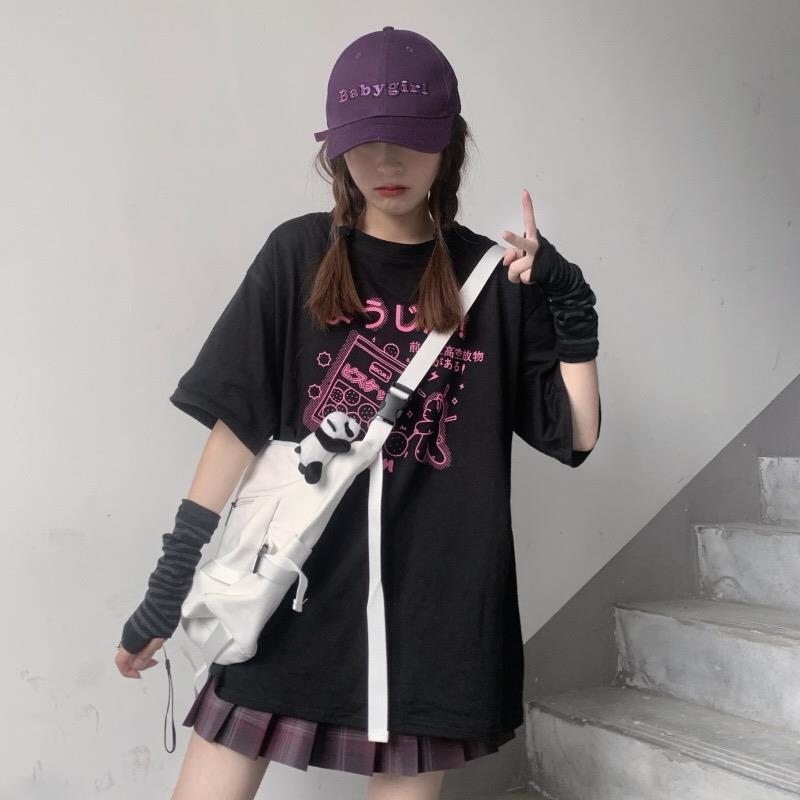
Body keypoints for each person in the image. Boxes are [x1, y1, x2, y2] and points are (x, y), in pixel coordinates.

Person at [114, 25, 601, 800]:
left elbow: (575, 434)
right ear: (335, 150)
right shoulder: (298, 256)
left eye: (407, 140)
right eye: (364, 143)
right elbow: (235, 430)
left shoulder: (490, 280)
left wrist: (571, 304)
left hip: (435, 622)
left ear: (448, 142)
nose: (385, 163)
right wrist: (168, 590)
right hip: (293, 594)